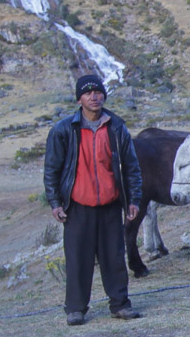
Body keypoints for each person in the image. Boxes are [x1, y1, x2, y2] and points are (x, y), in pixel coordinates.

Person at [42, 74, 142, 324]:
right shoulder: (64, 130)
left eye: (98, 92)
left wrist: (133, 199)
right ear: (79, 99)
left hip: (110, 204)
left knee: (114, 258)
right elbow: (52, 169)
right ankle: (75, 309)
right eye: (88, 93)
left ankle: (120, 304)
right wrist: (55, 202)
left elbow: (131, 167)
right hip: (77, 206)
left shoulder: (117, 127)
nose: (94, 97)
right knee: (78, 258)